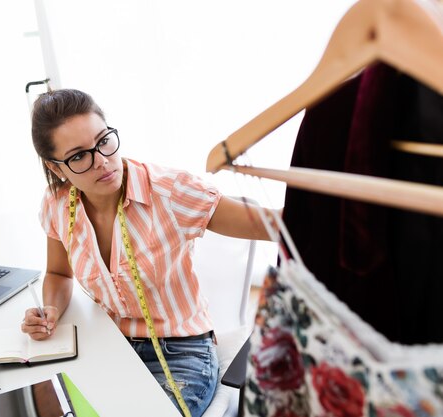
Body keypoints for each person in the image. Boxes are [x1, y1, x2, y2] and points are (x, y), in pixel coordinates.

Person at [21, 88, 274, 416]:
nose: (102, 161)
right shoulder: (57, 204)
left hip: (182, 352)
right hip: (110, 343)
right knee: (45, 396)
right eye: (79, 156)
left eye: (104, 140)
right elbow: (57, 273)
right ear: (57, 169)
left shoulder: (168, 191)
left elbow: (265, 225)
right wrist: (51, 310)